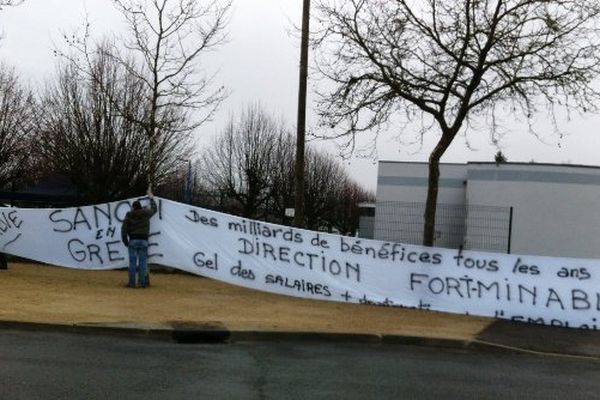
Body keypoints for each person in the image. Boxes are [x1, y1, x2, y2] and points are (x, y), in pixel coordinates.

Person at [121, 193, 157, 288]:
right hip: (144, 240)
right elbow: (154, 209)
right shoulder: (146, 213)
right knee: (143, 264)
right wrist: (152, 199)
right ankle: (142, 283)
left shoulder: (129, 215)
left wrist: (125, 241)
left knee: (132, 263)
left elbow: (123, 229)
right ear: (140, 207)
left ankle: (132, 283)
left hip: (133, 240)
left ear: (133, 207)